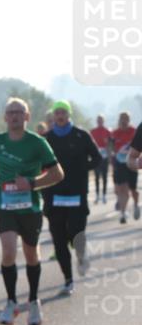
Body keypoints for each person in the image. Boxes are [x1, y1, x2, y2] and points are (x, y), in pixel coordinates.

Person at [0, 97, 64, 325]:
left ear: (27, 117)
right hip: (5, 205)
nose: (15, 116)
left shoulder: (37, 143)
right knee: (8, 252)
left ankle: (34, 301)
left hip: (30, 207)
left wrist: (32, 183)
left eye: (19, 112)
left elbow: (58, 174)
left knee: (31, 255)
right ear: (5, 117)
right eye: (11, 112)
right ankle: (11, 303)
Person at [43, 100, 101, 295]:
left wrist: (81, 169)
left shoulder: (81, 135)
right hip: (54, 195)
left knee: (76, 233)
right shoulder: (47, 138)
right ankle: (68, 280)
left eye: (63, 112)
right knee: (59, 241)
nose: (60, 115)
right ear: (53, 116)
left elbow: (98, 158)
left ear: (68, 115)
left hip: (77, 194)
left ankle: (81, 253)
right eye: (57, 112)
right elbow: (37, 163)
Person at [111, 112, 139, 223]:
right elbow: (111, 147)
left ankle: (136, 205)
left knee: (133, 190)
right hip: (119, 164)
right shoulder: (114, 133)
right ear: (119, 120)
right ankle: (123, 213)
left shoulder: (134, 131)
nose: (124, 121)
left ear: (129, 120)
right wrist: (111, 159)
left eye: (126, 118)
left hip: (131, 163)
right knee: (123, 189)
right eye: (122, 118)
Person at [89, 115, 112, 204]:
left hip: (105, 156)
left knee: (105, 176)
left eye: (101, 120)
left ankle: (104, 195)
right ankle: (97, 195)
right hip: (96, 157)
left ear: (103, 121)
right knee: (97, 177)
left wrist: (109, 156)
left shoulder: (108, 131)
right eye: (98, 120)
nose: (100, 122)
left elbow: (110, 145)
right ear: (96, 121)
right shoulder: (92, 131)